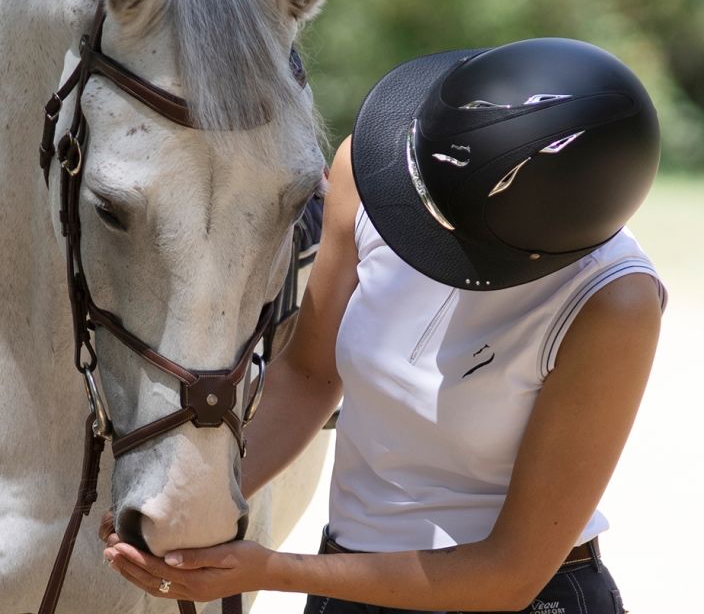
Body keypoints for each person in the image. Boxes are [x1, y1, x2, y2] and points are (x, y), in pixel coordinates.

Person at [101, 37, 666, 613]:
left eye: (448, 229)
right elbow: (309, 374)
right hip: (346, 579)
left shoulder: (614, 301)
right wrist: (190, 508)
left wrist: (274, 570)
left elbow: (509, 572)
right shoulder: (375, 172)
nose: (417, 227)